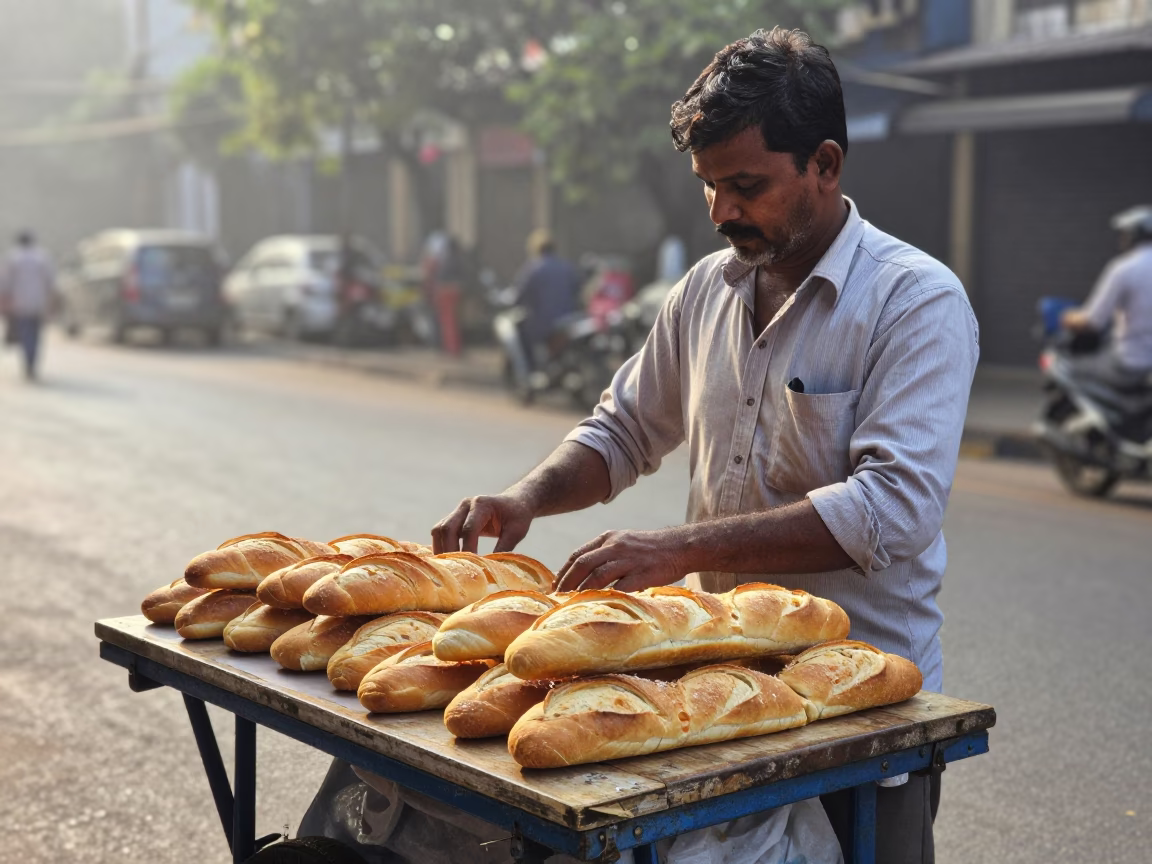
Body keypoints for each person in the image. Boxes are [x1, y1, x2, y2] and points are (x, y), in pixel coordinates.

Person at [433, 27, 979, 864]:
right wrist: (529, 496)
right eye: (710, 186)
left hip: (859, 711)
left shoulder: (915, 304)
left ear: (825, 165)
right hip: (720, 705)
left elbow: (891, 513)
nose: (723, 211)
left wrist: (676, 549)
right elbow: (621, 429)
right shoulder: (705, 292)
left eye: (747, 185)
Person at [1060, 205, 1152, 386]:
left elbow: (1093, 321)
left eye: (1124, 234)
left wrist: (1067, 318)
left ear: (1133, 236)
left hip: (1132, 363)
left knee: (1069, 368)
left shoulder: (1124, 269)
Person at [512, 229, 582, 363]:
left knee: (522, 333)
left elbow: (519, 295)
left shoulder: (532, 269)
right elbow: (578, 289)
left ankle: (530, 367)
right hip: (568, 320)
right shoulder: (566, 267)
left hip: (543, 324)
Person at [0, 230, 56, 380]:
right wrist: (50, 304)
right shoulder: (42, 257)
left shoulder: (13, 258)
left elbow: (5, 283)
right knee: (35, 336)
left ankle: (28, 364)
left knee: (25, 335)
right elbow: (50, 283)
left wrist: (4, 304)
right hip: (38, 303)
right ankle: (32, 363)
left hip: (20, 303)